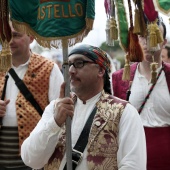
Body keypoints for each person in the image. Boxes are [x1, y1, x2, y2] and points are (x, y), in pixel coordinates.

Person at [21, 44, 146, 170]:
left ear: (101, 70)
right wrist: (55, 122)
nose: (71, 70)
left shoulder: (124, 112)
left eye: (79, 63)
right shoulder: (56, 108)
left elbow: (133, 165)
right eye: (68, 64)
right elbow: (30, 159)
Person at [0, 23, 64, 169]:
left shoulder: (49, 68)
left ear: (31, 38)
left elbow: (60, 112)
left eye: (16, 35)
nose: (10, 41)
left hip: (36, 154)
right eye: (7, 36)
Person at [112, 19, 170, 170]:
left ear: (164, 42)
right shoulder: (119, 78)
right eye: (142, 36)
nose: (146, 43)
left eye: (153, 36)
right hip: (130, 159)